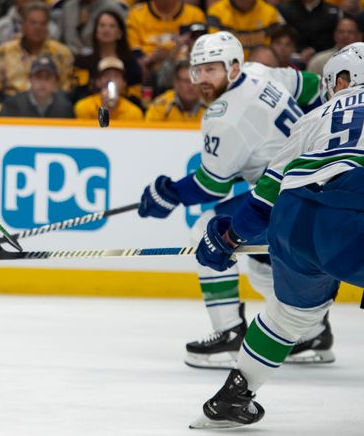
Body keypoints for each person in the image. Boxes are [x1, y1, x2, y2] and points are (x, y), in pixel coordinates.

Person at [189, 43, 364, 429]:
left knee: (288, 316)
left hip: (295, 217)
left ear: (345, 80)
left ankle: (233, 396)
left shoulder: (313, 117)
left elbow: (264, 198)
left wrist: (229, 238)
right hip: (356, 202)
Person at [136, 31, 332, 369]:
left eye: (211, 69)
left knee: (205, 229)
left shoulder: (224, 117)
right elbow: (314, 85)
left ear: (233, 67)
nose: (202, 79)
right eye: (198, 71)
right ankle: (310, 331)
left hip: (289, 202)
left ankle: (228, 334)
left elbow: (212, 187)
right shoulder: (260, 72)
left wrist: (168, 193)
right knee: (259, 262)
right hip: (319, 193)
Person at [0, 1, 73, 104]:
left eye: (42, 23)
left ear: (47, 27)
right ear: (23, 25)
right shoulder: (4, 52)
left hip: (49, 109)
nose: (37, 28)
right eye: (33, 23)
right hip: (11, 107)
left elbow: (66, 90)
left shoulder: (61, 53)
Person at [207, 0, 284, 56]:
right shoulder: (216, 12)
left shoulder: (271, 13)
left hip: (261, 66)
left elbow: (278, 47)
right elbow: (214, 48)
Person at [276, 0, 340, 59]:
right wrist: (298, 55)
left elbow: (338, 41)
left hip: (327, 60)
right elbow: (280, 42)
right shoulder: (282, 11)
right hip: (292, 60)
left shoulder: (333, 11)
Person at [0, 55, 75, 118]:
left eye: (48, 78)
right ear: (30, 79)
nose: (42, 83)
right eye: (38, 77)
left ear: (55, 82)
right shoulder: (12, 105)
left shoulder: (65, 107)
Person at [74, 57, 143, 121]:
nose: (111, 80)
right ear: (98, 82)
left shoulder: (134, 113)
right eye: (106, 75)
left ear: (124, 83)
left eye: (116, 76)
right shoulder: (84, 107)